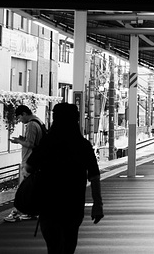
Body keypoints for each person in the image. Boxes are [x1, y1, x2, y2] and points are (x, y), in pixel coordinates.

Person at [25, 102, 104, 253]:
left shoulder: (48, 143)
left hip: (49, 203)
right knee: (69, 242)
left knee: (53, 246)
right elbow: (94, 176)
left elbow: (29, 167)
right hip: (73, 204)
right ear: (76, 120)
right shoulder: (83, 145)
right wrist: (98, 205)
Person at [4, 105, 45, 222]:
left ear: (24, 114)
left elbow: (31, 144)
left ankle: (16, 213)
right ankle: (31, 212)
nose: (20, 121)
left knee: (23, 189)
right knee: (30, 189)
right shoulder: (38, 121)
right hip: (35, 161)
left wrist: (18, 141)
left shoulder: (31, 124)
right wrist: (22, 139)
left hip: (29, 161)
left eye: (19, 118)